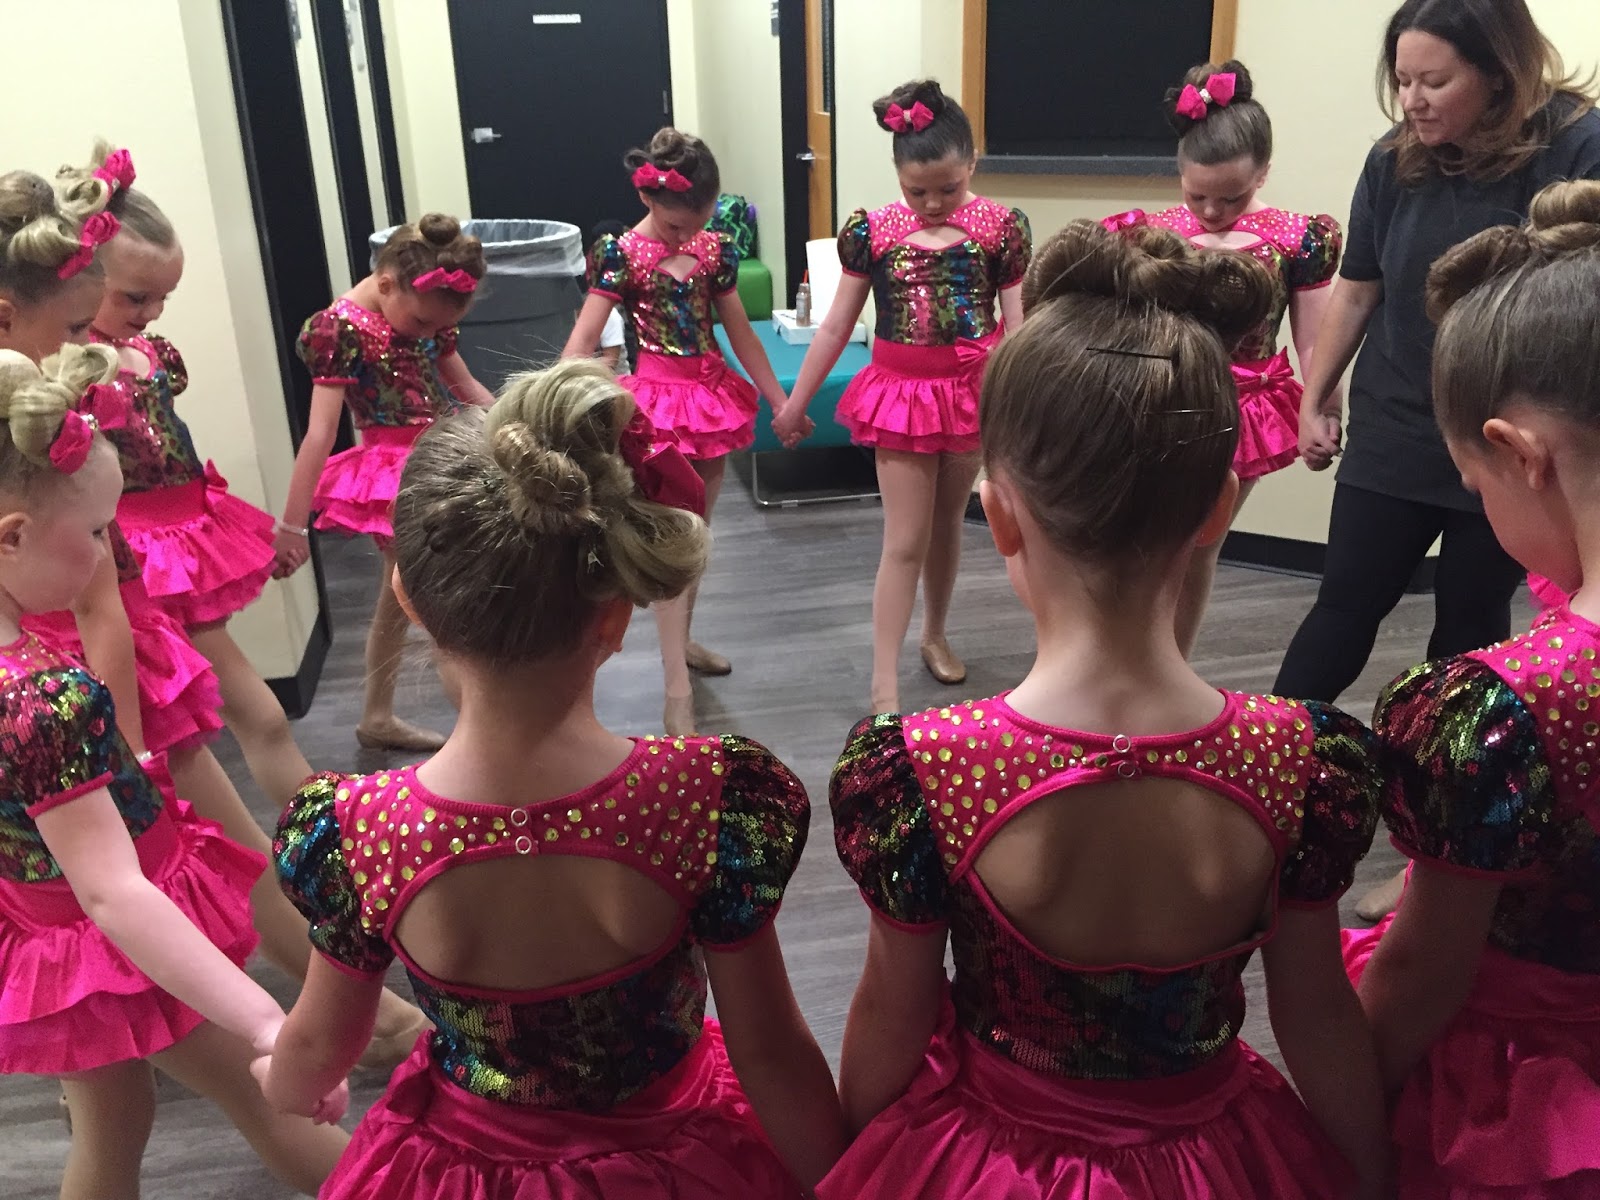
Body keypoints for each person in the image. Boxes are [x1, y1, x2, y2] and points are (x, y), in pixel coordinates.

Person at [819, 220, 1387, 1200]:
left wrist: (849, 1166)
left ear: (999, 516)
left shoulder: (922, 769)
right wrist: (1372, 1176)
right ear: (1217, 510)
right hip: (1220, 1161)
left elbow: (889, 1018)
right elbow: (1317, 1016)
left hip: (987, 1166)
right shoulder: (1301, 761)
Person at [263, 358, 845, 1197]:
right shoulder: (706, 798)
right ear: (615, 614)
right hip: (684, 1161)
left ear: (409, 597)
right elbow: (773, 1053)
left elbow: (317, 1049)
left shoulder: (360, 832)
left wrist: (281, 1082)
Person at [51, 145, 430, 1066]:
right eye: (132, 296)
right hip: (120, 582)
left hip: (157, 565)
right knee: (202, 813)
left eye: (161, 299)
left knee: (238, 754)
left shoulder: (143, 354)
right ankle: (346, 984)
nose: (149, 315)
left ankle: (343, 902)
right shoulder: (59, 387)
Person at [1276, 0, 1600, 921]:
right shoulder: (1395, 160)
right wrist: (1316, 393)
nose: (1412, 100)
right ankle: (1262, 781)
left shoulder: (1577, 145)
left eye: (1435, 81)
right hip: (1402, 423)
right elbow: (1358, 286)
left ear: (1497, 72)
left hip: (1516, 440)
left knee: (1470, 627)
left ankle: (1437, 857)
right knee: (1345, 604)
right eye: (1402, 80)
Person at [0, 343, 347, 1200]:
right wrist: (265, 1022)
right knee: (270, 1100)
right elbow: (113, 893)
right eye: (94, 533)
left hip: (47, 930)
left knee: (114, 1125)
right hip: (110, 944)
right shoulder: (37, 700)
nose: (106, 555)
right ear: (13, 536)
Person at [1344, 181, 1600, 1197]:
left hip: (1532, 1103)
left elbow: (1423, 972)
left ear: (1516, 454)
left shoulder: (1502, 709)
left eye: (1473, 484)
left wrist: (1343, 1113)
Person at [779, 79, 1031, 715]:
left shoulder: (1000, 228)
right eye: (917, 191)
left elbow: (1018, 327)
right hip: (900, 396)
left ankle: (935, 634)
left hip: (970, 394)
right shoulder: (875, 230)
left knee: (948, 525)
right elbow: (836, 325)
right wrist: (795, 403)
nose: (933, 203)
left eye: (949, 187)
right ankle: (883, 680)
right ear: (898, 175)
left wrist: (1020, 405)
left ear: (972, 164)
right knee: (904, 538)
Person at [1103, 60, 1342, 654]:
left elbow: (1315, 339)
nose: (1211, 211)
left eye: (1231, 197)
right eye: (1197, 195)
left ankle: (1170, 664)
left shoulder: (1295, 239)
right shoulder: (1153, 232)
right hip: (1159, 398)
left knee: (1198, 543)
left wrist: (1323, 410)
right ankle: (1130, 655)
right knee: (1148, 539)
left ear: (1263, 172)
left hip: (1243, 411)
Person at [562, 129, 788, 736]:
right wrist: (554, 402)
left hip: (709, 400)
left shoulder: (714, 251)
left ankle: (681, 642)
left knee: (697, 534)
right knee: (667, 536)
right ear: (647, 200)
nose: (684, 236)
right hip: (658, 405)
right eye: (672, 225)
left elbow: (740, 332)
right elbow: (585, 336)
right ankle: (674, 686)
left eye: (696, 223)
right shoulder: (621, 253)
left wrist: (780, 400)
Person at [277, 213, 495, 753]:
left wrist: (516, 424)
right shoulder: (338, 329)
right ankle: (487, 734)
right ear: (386, 282)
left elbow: (464, 384)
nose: (428, 333)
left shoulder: (424, 313)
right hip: (394, 475)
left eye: (439, 327)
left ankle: (379, 715)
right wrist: (292, 526)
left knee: (400, 598)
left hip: (442, 452)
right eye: (422, 322)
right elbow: (320, 434)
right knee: (436, 598)